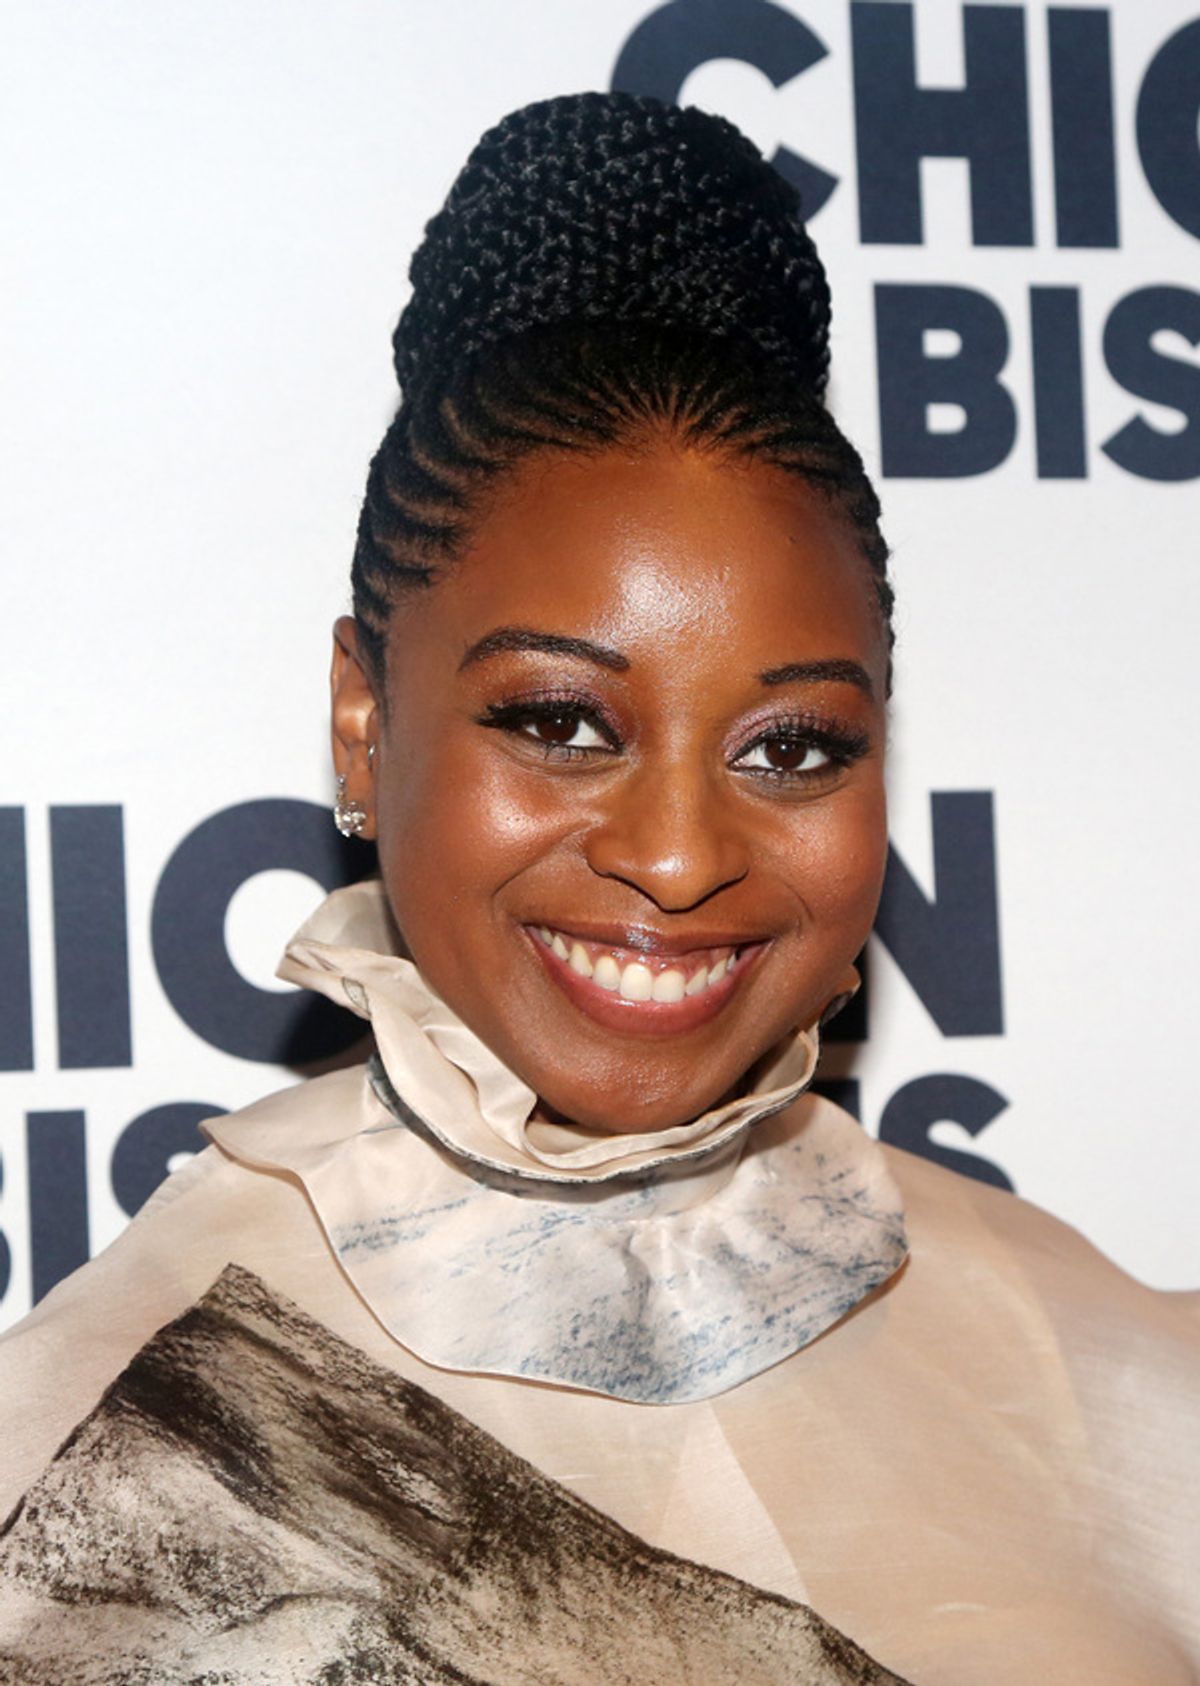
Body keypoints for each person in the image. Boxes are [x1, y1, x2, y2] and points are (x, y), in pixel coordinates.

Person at [0, 93, 1196, 1685]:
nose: (684, 852)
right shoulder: (96, 1435)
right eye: (560, 723)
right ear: (365, 723)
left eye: (791, 745)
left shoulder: (1108, 1369)